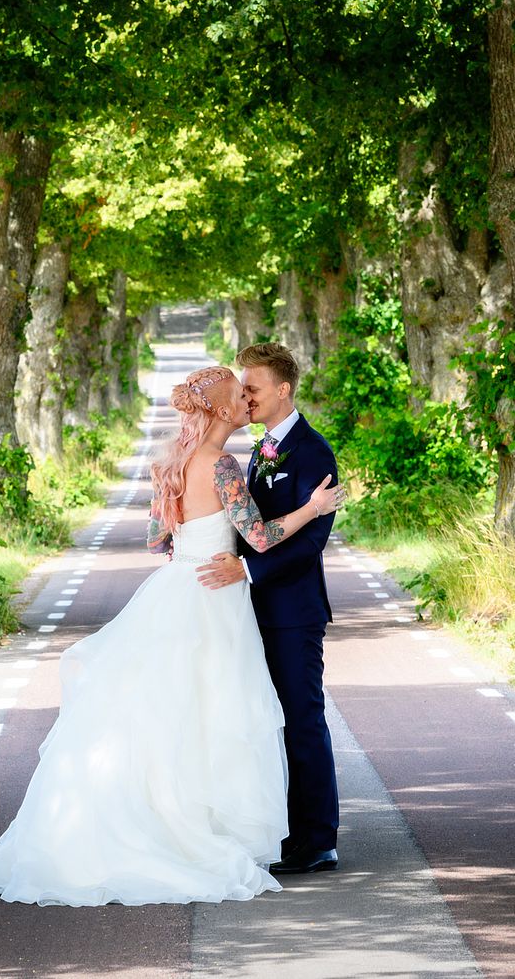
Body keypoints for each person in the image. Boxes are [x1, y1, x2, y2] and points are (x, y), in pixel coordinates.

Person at [0, 365, 344, 906]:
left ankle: (175, 827)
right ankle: (203, 832)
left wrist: (193, 539)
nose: (247, 400)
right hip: (213, 595)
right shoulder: (223, 465)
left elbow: (157, 540)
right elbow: (261, 537)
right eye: (239, 394)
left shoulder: (169, 465)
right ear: (222, 410)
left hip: (176, 587)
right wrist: (313, 508)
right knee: (215, 713)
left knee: (172, 714)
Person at [196, 343, 341, 875]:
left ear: (283, 389)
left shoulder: (313, 452)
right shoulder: (260, 449)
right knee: (258, 722)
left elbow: (312, 541)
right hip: (242, 610)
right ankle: (279, 831)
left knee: (301, 720)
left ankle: (317, 839)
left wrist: (250, 571)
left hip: (291, 611)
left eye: (253, 388)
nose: (246, 396)